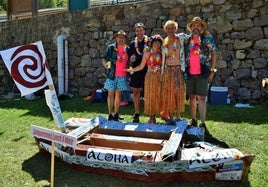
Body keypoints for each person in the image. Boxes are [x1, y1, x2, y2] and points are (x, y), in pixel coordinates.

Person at [184, 17, 218, 127]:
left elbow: (214, 53)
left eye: (198, 25)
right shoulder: (187, 40)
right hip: (190, 72)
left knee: (202, 97)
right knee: (192, 97)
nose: (196, 27)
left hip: (203, 71)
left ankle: (203, 122)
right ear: (191, 28)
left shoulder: (207, 38)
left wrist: (212, 71)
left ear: (201, 27)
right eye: (194, 25)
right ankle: (193, 119)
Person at [127, 35, 163, 124]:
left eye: (158, 43)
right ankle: (152, 117)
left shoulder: (162, 53)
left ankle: (163, 115)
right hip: (150, 77)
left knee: (159, 96)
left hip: (160, 78)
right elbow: (141, 66)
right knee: (150, 97)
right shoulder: (147, 53)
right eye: (155, 42)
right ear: (151, 43)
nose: (156, 44)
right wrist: (132, 69)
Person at [160, 20, 187, 122]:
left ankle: (178, 115)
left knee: (177, 93)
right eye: (168, 28)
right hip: (167, 70)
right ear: (165, 29)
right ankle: (171, 116)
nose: (170, 30)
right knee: (169, 93)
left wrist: (205, 33)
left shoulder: (180, 38)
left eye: (172, 28)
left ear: (176, 29)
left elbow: (193, 36)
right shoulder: (164, 42)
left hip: (178, 69)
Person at [102, 30, 130, 121]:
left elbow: (129, 62)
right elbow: (104, 59)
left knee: (118, 95)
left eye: (122, 37)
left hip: (122, 75)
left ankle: (116, 114)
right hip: (111, 75)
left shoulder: (128, 49)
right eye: (119, 37)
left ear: (125, 39)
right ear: (116, 38)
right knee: (110, 94)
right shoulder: (111, 48)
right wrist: (105, 65)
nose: (121, 39)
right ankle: (110, 114)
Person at [128, 22, 150, 123]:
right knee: (136, 92)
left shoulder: (149, 41)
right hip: (136, 71)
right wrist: (131, 59)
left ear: (144, 31)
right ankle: (137, 113)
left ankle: (151, 114)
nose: (139, 32)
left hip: (148, 71)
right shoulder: (132, 44)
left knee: (148, 93)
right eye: (137, 31)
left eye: (141, 30)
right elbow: (129, 58)